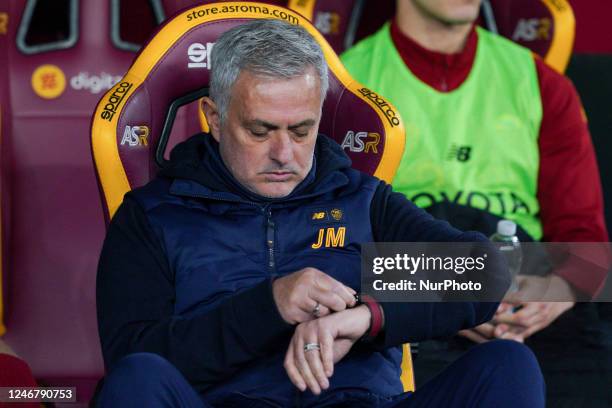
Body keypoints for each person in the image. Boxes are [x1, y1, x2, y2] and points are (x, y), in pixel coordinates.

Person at [96, 19, 543, 407]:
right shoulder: (156, 215)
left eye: (301, 130)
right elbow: (135, 361)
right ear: (214, 117)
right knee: (139, 377)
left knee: (507, 363)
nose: (283, 153)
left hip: (361, 401)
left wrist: (366, 316)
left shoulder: (361, 201)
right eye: (260, 130)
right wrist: (268, 306)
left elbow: (480, 272)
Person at [341, 0, 610, 404]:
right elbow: (325, 240)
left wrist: (558, 290)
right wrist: (449, 291)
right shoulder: (344, 82)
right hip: (402, 289)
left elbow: (589, 245)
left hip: (528, 299)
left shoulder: (540, 82)